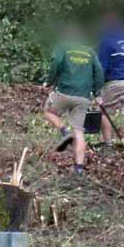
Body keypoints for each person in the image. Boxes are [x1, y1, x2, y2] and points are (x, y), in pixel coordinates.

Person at [43, 29, 104, 174]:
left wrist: (49, 82)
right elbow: (99, 71)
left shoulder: (62, 47)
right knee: (79, 131)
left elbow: (56, 62)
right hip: (83, 98)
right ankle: (79, 169)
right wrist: (97, 92)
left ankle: (64, 131)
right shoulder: (90, 52)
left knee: (48, 111)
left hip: (64, 92)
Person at [97, 14, 124, 144]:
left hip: (114, 83)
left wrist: (97, 86)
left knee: (105, 112)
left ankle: (107, 144)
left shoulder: (106, 41)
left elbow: (102, 68)